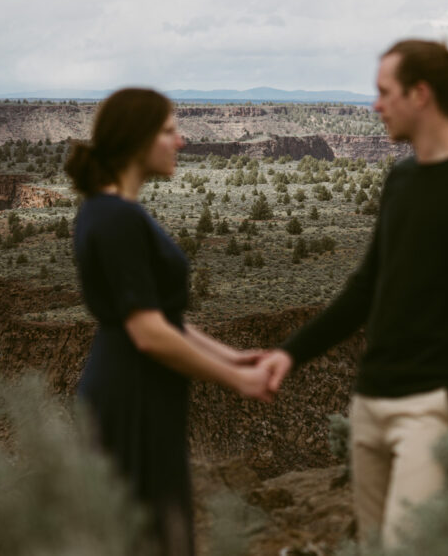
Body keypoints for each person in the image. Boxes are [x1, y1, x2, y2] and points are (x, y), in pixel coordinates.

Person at [260, 39, 448, 549]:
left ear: (419, 94)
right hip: (370, 403)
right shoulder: (401, 180)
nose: (375, 106)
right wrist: (289, 354)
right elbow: (365, 288)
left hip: (430, 412)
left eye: (384, 92)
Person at [65, 88, 274, 556]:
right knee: (148, 535)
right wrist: (235, 381)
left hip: (134, 387)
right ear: (137, 138)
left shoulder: (106, 210)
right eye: (168, 130)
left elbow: (160, 316)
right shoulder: (118, 218)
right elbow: (149, 333)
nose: (180, 141)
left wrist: (233, 356)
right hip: (132, 393)